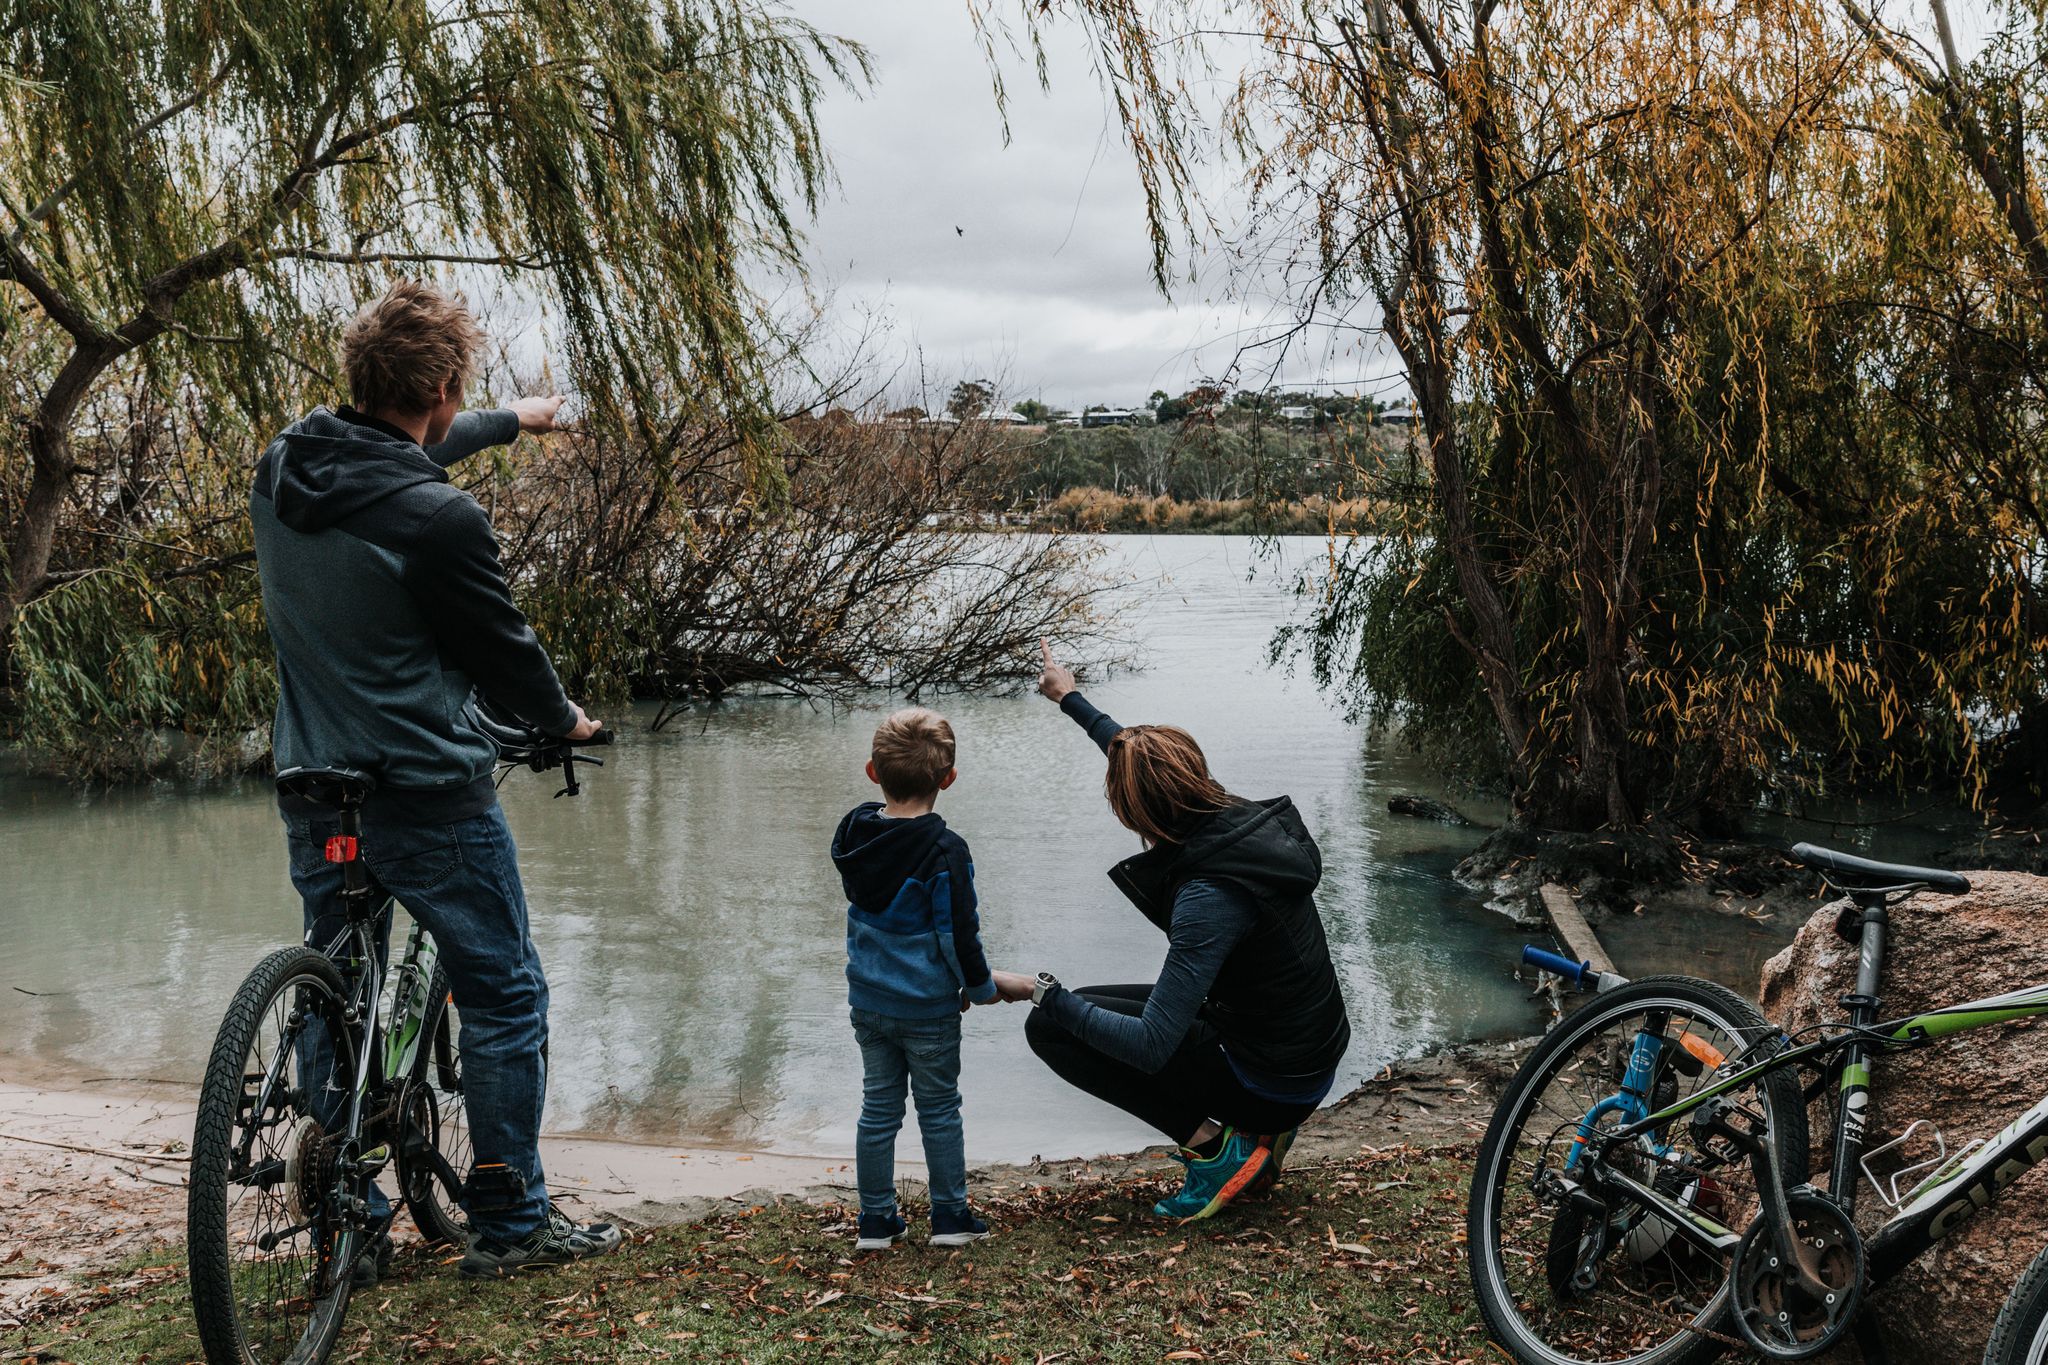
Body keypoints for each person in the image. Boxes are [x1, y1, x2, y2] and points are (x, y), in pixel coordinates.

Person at [249, 278, 621, 1279]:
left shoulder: (284, 466)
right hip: (425, 794)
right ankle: (511, 1221)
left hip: (313, 785)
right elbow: (505, 651)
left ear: (359, 378)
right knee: (504, 991)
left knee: (336, 988)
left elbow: (392, 457)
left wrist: (512, 423)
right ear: (444, 385)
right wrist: (563, 720)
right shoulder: (440, 523)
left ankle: (344, 1219)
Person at [989, 642, 1352, 1223]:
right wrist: (1070, 697)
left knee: (1052, 1025)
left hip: (1274, 1081)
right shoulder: (1232, 819)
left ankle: (1218, 1151)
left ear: (1131, 810)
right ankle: (1258, 1137)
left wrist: (1036, 988)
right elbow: (1140, 758)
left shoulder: (1209, 897)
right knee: (1083, 1010)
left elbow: (1152, 1047)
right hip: (1306, 1054)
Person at [831, 708, 999, 1250]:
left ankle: (875, 1222)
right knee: (939, 1109)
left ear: (872, 771)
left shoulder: (856, 836)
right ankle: (949, 1217)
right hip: (926, 1007)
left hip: (868, 1002)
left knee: (877, 1108)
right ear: (947, 779)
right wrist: (979, 989)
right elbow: (958, 935)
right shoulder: (945, 851)